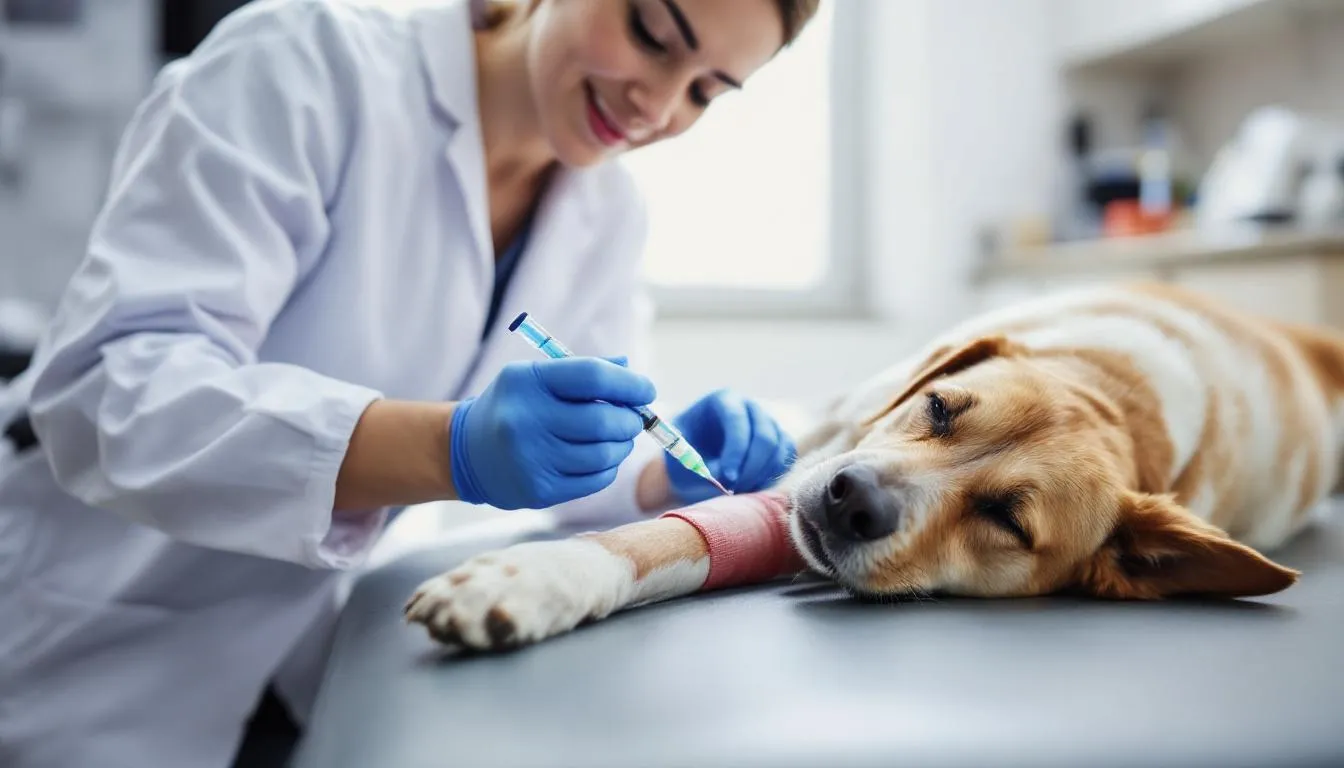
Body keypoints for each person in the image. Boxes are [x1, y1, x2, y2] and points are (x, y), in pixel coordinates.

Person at [0, 0, 822, 765]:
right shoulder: (303, 63)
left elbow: (578, 467)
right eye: (650, 32)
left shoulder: (604, 213)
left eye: (707, 91)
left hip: (307, 670)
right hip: (82, 646)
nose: (658, 105)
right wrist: (447, 445)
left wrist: (658, 473)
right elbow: (108, 393)